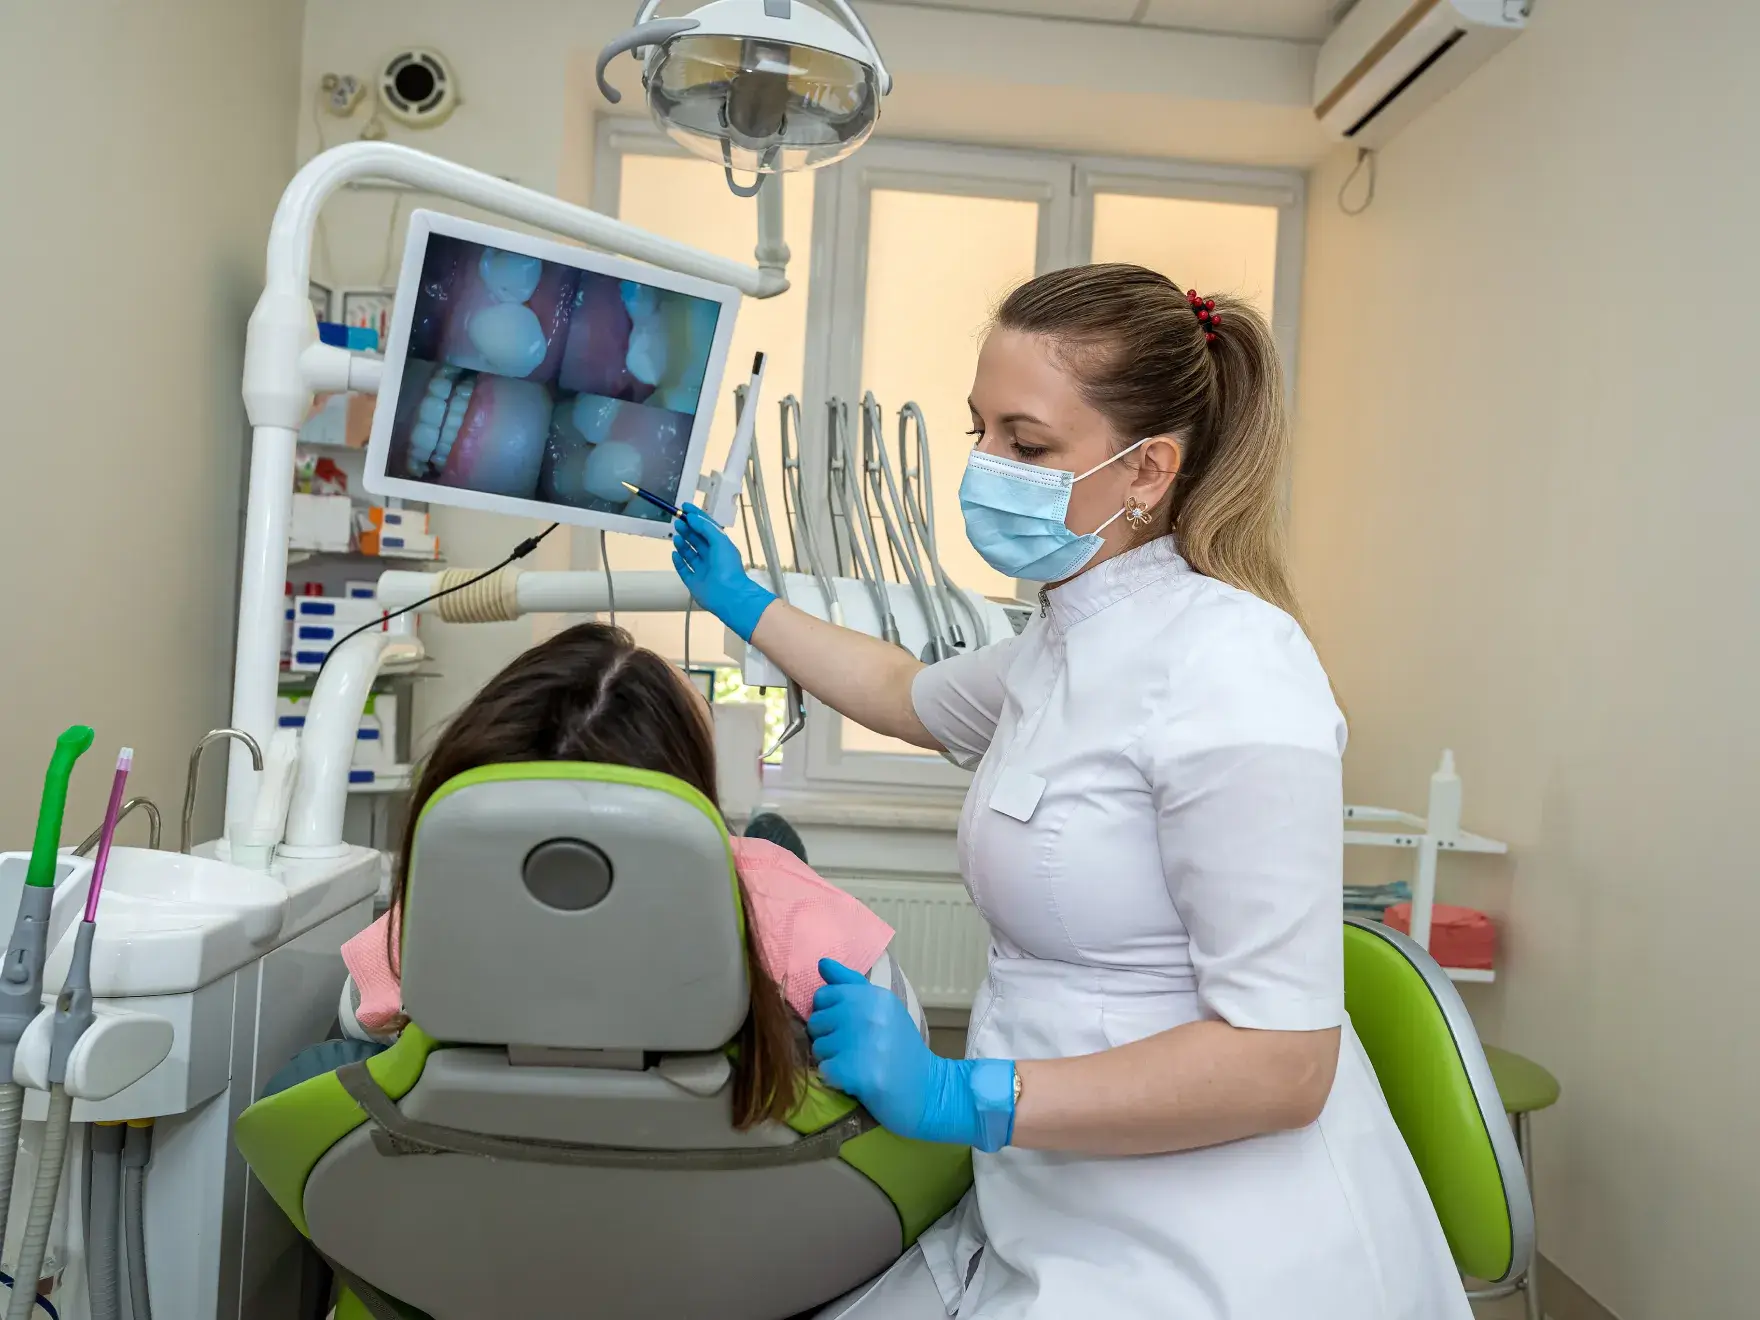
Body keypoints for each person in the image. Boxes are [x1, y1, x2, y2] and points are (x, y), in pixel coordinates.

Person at [671, 264, 1472, 1317]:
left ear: (1147, 471)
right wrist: (741, 601)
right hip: (1052, 1186)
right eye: (980, 434)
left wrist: (959, 1093)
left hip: (1209, 1233)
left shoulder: (1232, 666)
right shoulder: (1064, 635)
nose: (986, 470)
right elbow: (904, 694)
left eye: (1028, 443)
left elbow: (1282, 1066)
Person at [266, 622, 926, 1121]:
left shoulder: (433, 919)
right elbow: (906, 1047)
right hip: (718, 1238)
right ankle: (756, 841)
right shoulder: (805, 924)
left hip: (495, 1220)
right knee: (772, 847)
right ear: (687, 784)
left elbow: (356, 1015)